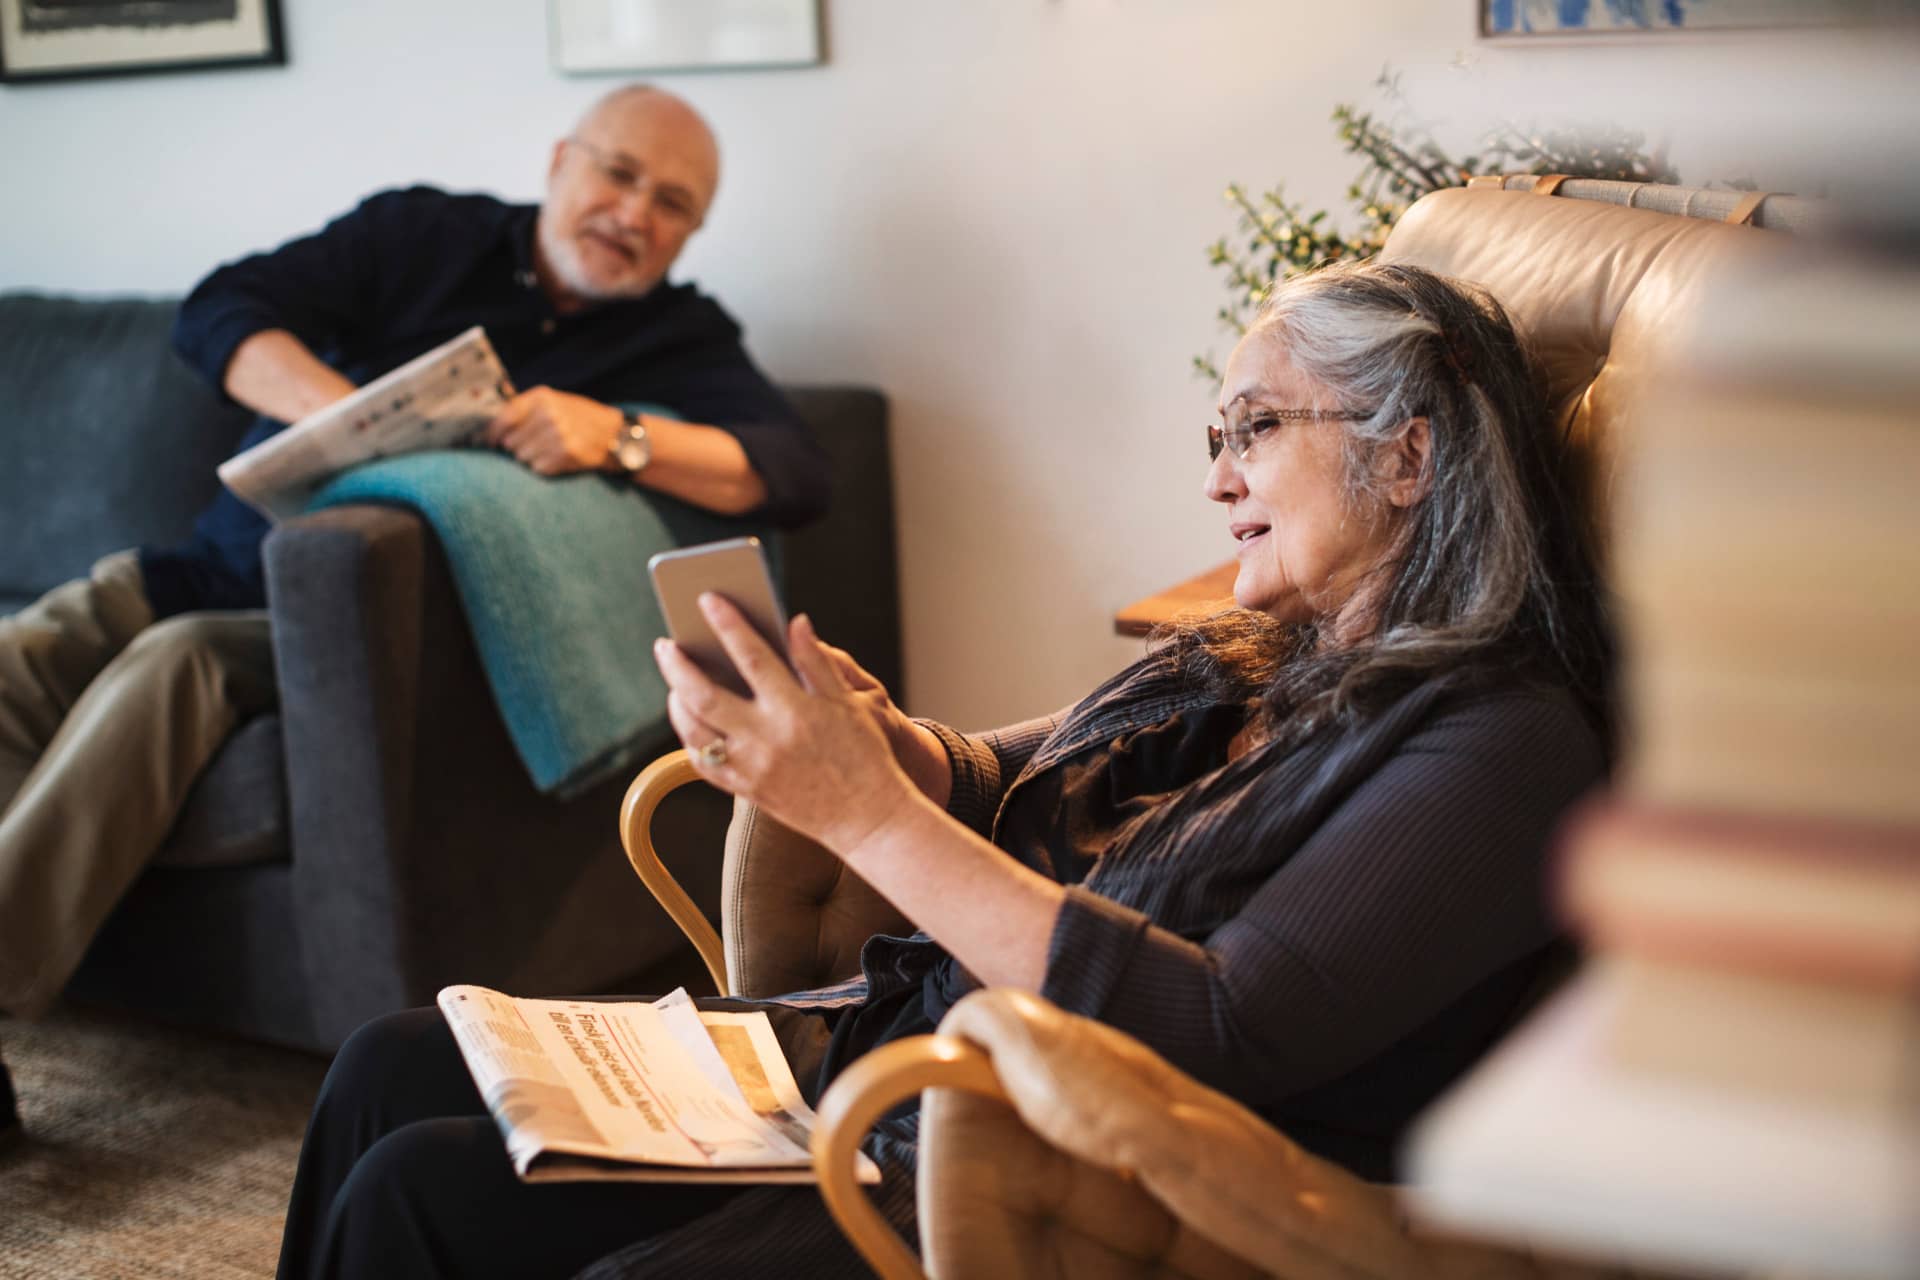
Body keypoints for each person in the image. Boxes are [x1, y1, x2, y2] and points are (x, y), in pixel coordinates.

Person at [273, 261, 1614, 1279]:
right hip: (880, 1052)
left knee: (421, 1195)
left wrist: (857, 807)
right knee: (391, 1064)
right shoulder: (1256, 654)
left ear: (1409, 453)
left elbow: (1222, 1033)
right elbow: (988, 775)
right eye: (1217, 438)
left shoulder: (1498, 747)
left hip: (1011, 1155)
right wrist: (874, 743)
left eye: (1253, 427)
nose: (1218, 482)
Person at [0, 84, 830, 1139]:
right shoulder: (421, 233)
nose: (634, 215)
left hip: (315, 634)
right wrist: (335, 415)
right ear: (560, 160)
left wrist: (614, 434)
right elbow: (220, 308)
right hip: (196, 563)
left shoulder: (674, 338)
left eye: (673, 204)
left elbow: (797, 470)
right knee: (19, 660)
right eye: (619, 174)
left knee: (173, 665)